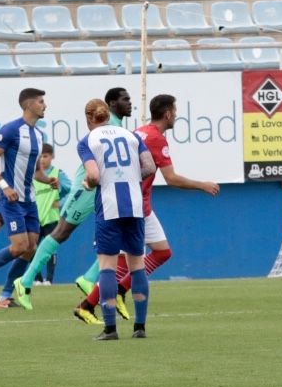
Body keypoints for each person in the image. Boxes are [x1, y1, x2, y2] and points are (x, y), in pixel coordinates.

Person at [70, 93, 220, 324]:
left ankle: (102, 308)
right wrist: (203, 185)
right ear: (168, 113)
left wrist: (101, 180)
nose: (176, 116)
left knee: (122, 261)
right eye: (175, 112)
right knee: (133, 261)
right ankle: (108, 307)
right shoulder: (143, 137)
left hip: (118, 203)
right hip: (138, 204)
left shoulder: (139, 131)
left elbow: (95, 174)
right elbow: (163, 175)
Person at [14, 87, 135, 314]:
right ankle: (26, 281)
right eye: (125, 99)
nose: (130, 103)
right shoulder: (111, 129)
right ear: (111, 104)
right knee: (61, 232)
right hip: (86, 190)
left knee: (118, 235)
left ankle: (89, 278)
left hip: (105, 190)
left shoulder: (118, 127)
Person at [78, 98, 157, 341]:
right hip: (134, 204)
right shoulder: (131, 136)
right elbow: (150, 167)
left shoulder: (87, 141)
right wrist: (132, 178)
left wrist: (89, 183)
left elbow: (93, 174)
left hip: (109, 206)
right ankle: (140, 327)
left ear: (89, 118)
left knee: (108, 268)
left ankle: (110, 329)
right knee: (137, 265)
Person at [0, 86, 48, 309]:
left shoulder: (39, 134)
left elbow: (35, 172)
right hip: (11, 199)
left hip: (29, 199)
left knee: (31, 248)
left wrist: (48, 180)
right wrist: (5, 186)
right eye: (41, 101)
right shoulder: (11, 130)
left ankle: (4, 296)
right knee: (19, 246)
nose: (45, 105)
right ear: (28, 105)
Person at [31, 143, 71, 284]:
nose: (42, 159)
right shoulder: (33, 175)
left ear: (52, 157)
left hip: (51, 218)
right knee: (32, 248)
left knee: (50, 249)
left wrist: (60, 203)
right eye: (40, 156)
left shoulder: (57, 174)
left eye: (46, 156)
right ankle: (37, 279)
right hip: (35, 218)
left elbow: (72, 191)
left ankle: (49, 279)